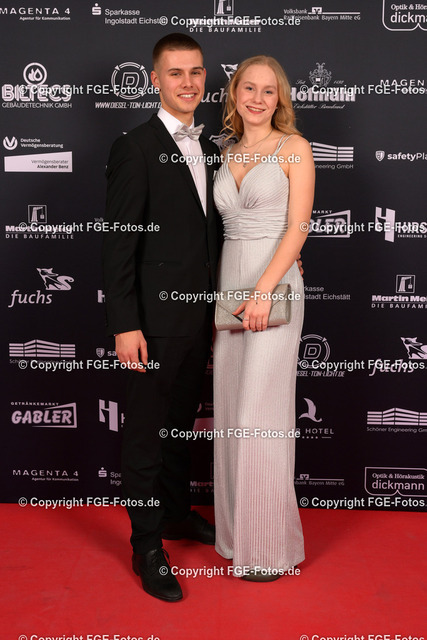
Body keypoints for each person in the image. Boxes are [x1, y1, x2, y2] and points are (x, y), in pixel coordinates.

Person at [102, 33, 223, 602]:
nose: (188, 83)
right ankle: (146, 545)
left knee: (178, 429)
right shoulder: (134, 147)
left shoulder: (213, 148)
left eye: (195, 72)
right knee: (148, 437)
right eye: (176, 73)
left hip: (199, 321)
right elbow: (119, 244)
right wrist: (125, 324)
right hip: (151, 325)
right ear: (155, 80)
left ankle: (175, 515)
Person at [213, 56, 315, 581]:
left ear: (280, 99)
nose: (257, 98)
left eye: (268, 91)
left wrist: (263, 290)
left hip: (273, 290)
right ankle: (236, 537)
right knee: (233, 413)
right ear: (234, 94)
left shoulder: (295, 148)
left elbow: (298, 227)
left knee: (262, 414)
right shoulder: (224, 153)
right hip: (228, 290)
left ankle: (268, 548)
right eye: (248, 88)